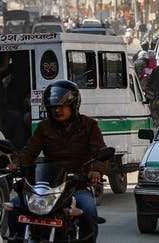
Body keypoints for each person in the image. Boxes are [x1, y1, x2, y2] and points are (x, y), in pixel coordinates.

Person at [7, 80, 108, 241]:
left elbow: (100, 151)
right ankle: (16, 238)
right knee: (14, 206)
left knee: (88, 211)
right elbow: (30, 150)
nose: (57, 110)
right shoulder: (44, 127)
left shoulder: (89, 125)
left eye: (61, 106)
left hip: (76, 185)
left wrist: (96, 170)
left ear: (73, 105)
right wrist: (16, 164)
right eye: (53, 107)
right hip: (49, 186)